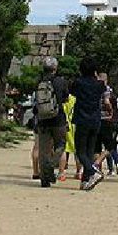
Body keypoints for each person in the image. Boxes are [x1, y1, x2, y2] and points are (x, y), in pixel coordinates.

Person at [72, 57, 107, 191]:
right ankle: (85, 181)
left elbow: (72, 93)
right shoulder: (100, 84)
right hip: (95, 120)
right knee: (89, 151)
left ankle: (92, 172)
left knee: (80, 151)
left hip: (82, 119)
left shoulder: (78, 83)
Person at [35, 57, 69, 188]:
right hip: (58, 119)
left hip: (42, 119)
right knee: (61, 144)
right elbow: (66, 98)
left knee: (44, 150)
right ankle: (51, 166)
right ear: (55, 68)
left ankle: (44, 179)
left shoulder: (39, 81)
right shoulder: (60, 82)